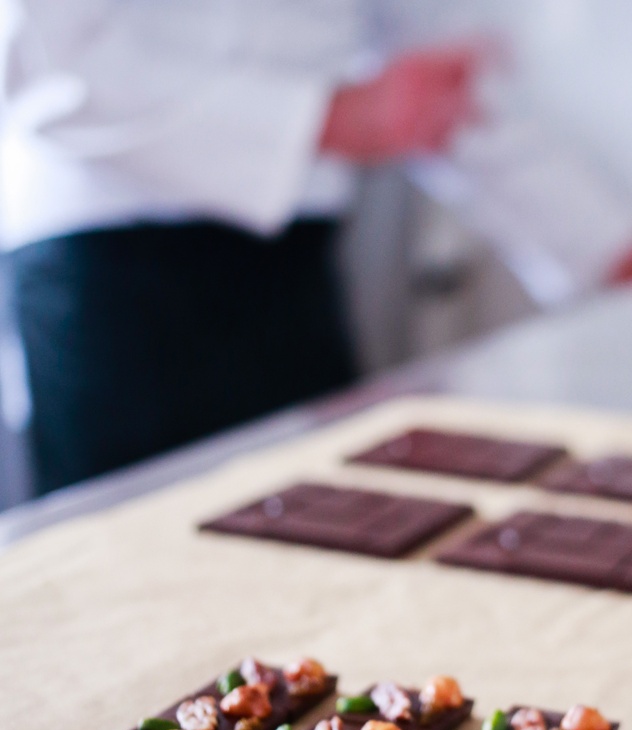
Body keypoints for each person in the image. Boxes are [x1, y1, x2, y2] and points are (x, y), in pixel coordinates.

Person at [0, 1, 479, 493]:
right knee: (119, 539)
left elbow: (453, 76)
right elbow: (43, 70)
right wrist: (322, 119)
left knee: (330, 514)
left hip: (297, 257)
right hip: (107, 260)